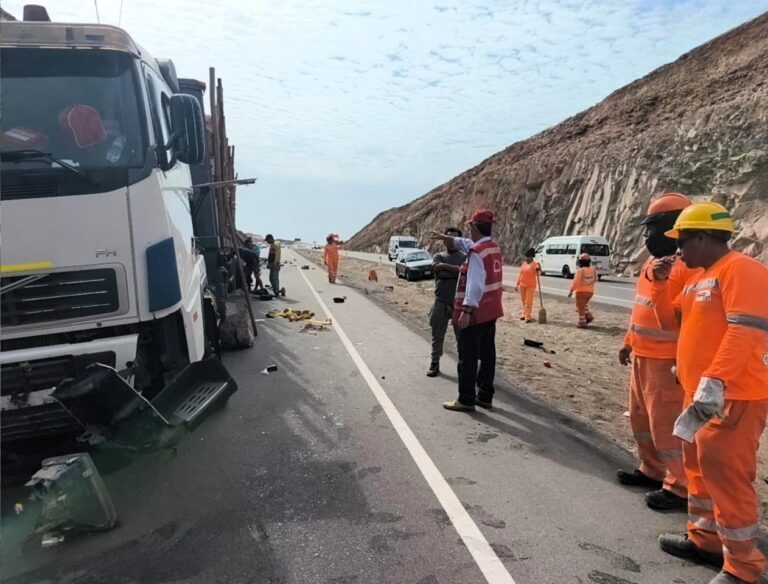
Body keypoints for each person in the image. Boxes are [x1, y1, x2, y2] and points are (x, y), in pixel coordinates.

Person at [652, 202, 768, 584]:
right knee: (700, 471)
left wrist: (715, 379)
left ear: (703, 238)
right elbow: (675, 325)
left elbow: (746, 331)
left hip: (732, 395)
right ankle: (705, 539)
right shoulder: (700, 277)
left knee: (728, 476)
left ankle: (744, 568)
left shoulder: (741, 270)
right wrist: (662, 283)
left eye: (683, 241)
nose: (678, 250)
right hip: (700, 396)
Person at [616, 192, 699, 512]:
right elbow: (641, 309)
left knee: (667, 425)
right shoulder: (652, 264)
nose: (647, 236)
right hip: (642, 355)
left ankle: (679, 486)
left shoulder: (688, 268)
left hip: (667, 362)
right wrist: (628, 341)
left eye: (652, 228)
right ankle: (651, 469)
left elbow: (678, 319)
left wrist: (665, 282)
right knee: (641, 419)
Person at [430, 209, 504, 412]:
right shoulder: (491, 247)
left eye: (470, 226)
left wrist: (467, 310)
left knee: (468, 357)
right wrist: (448, 238)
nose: (468, 231)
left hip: (476, 312)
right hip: (492, 310)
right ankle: (485, 396)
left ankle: (466, 399)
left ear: (473, 227)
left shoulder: (477, 253)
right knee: (488, 354)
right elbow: (466, 243)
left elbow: (475, 285)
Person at [426, 227, 467, 377]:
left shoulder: (464, 257)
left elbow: (465, 272)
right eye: (448, 238)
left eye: (454, 239)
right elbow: (438, 271)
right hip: (441, 302)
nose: (450, 242)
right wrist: (457, 271)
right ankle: (434, 363)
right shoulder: (438, 256)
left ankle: (464, 367)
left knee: (462, 339)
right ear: (444, 240)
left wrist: (446, 268)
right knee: (437, 336)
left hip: (459, 304)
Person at [568, 253, 597, 328]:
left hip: (581, 292)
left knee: (580, 307)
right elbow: (596, 279)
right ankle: (589, 316)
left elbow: (576, 282)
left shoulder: (580, 271)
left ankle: (582, 322)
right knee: (583, 305)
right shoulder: (593, 270)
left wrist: (571, 290)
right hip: (590, 292)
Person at [515, 248, 540, 322]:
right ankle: (525, 314)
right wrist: (517, 284)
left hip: (530, 286)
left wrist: (538, 270)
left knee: (528, 302)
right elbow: (520, 274)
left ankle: (528, 317)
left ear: (532, 257)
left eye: (528, 257)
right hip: (522, 285)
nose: (526, 258)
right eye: (526, 257)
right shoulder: (524, 263)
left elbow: (539, 274)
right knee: (523, 301)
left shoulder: (535, 264)